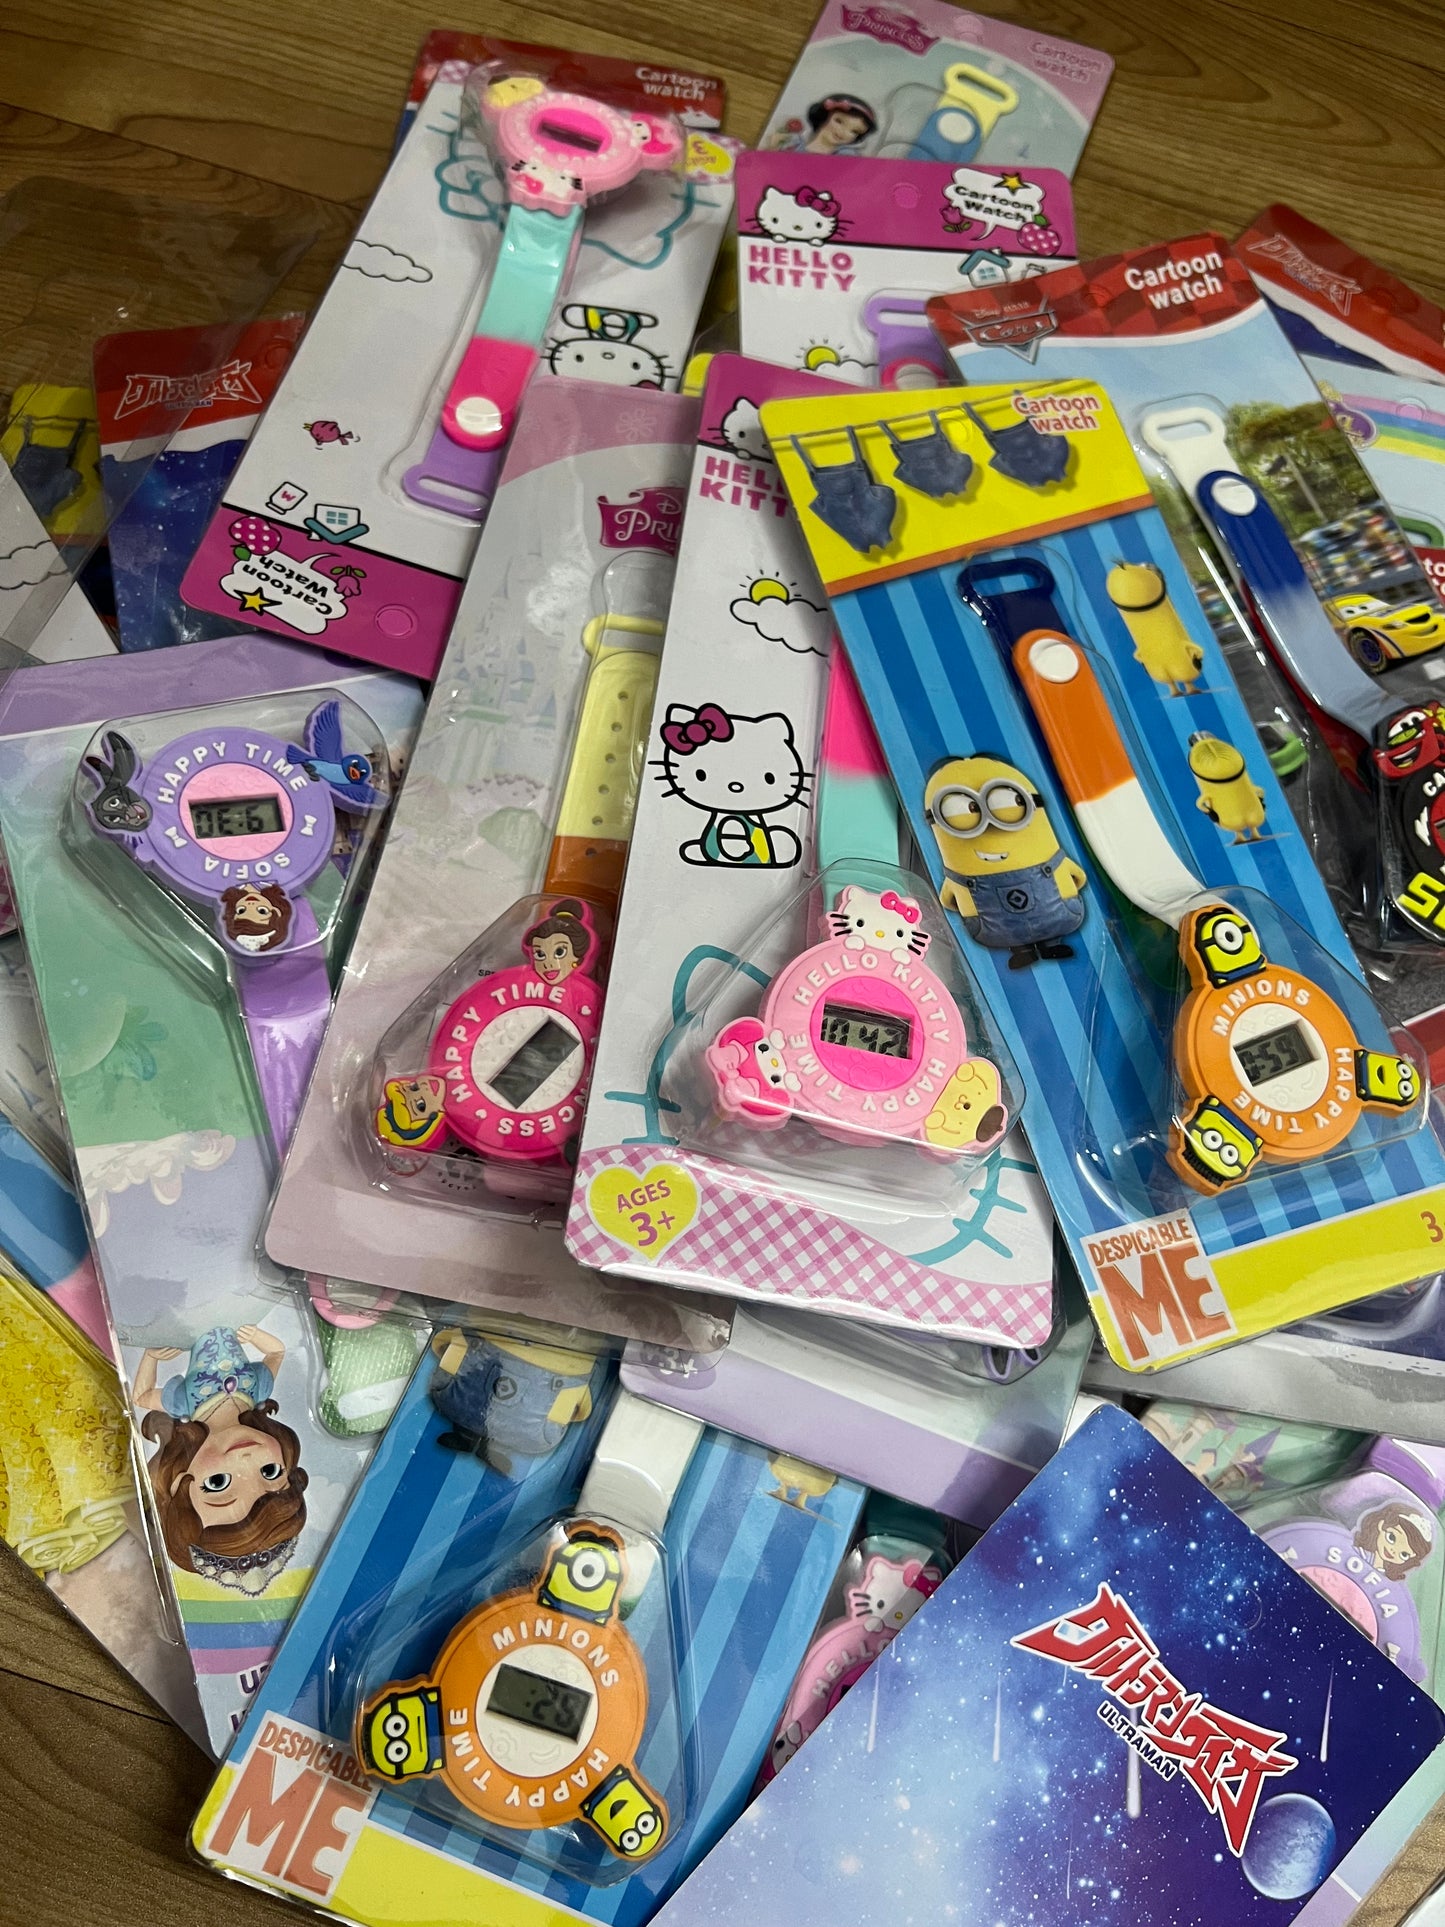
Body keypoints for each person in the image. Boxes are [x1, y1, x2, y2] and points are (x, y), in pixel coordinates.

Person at [134, 1324, 307, 1593]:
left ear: (179, 1482)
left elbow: (141, 1397)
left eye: (218, 1482)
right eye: (270, 1471)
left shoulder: (182, 1402)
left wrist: (151, 1356)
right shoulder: (258, 1388)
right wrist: (256, 1335)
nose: (245, 1457)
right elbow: (277, 1353)